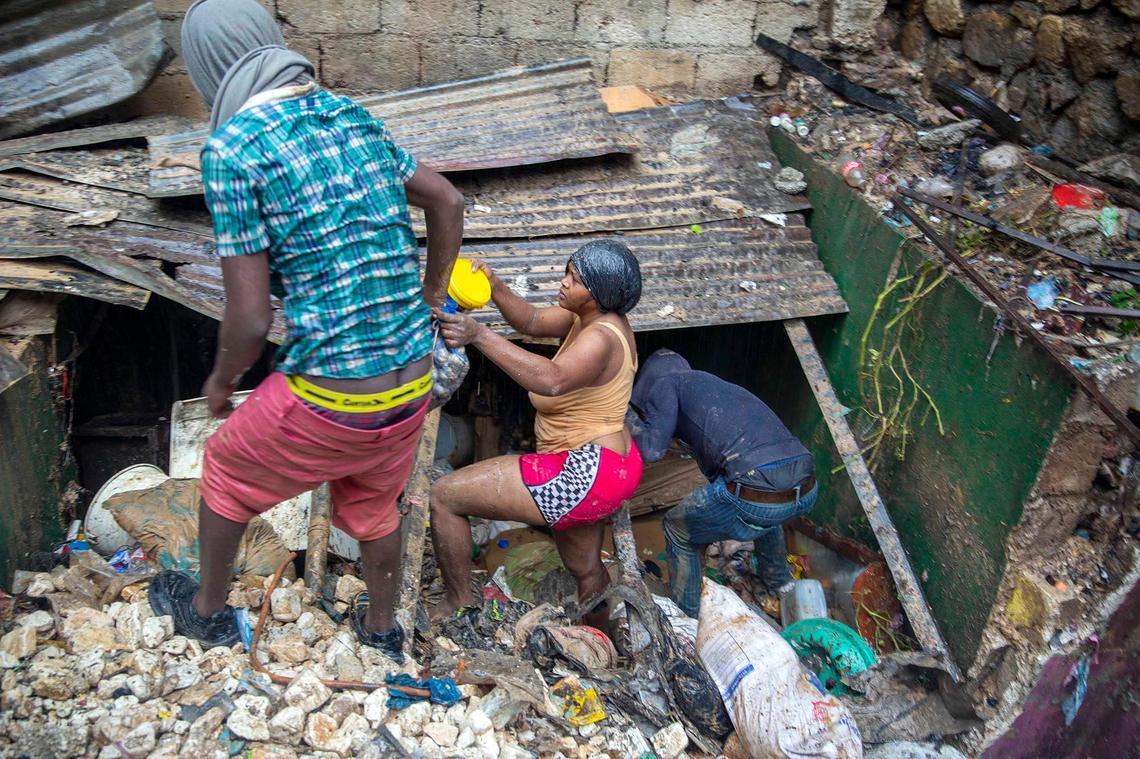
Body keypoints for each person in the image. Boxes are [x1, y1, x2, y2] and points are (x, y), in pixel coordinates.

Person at [146, 0, 464, 662]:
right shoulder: (348, 114)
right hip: (411, 383)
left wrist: (222, 378)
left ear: (210, 68)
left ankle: (204, 612)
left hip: (333, 393)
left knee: (228, 467)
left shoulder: (232, 149)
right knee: (376, 506)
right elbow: (448, 200)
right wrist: (430, 295)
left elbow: (252, 319)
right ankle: (381, 631)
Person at [430, 241, 643, 631]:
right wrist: (493, 285)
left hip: (584, 473)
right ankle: (607, 638)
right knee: (584, 568)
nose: (562, 283)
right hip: (610, 469)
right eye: (566, 273)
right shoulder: (589, 319)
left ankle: (458, 602)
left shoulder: (600, 339)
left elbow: (551, 380)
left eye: (573, 280)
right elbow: (528, 320)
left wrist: (478, 335)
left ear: (597, 294)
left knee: (444, 496)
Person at [627, 349, 818, 618]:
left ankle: (687, 618)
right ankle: (779, 583)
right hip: (806, 486)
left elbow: (651, 449)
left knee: (677, 527)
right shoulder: (713, 387)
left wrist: (620, 409)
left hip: (757, 489)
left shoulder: (666, 384)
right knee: (766, 511)